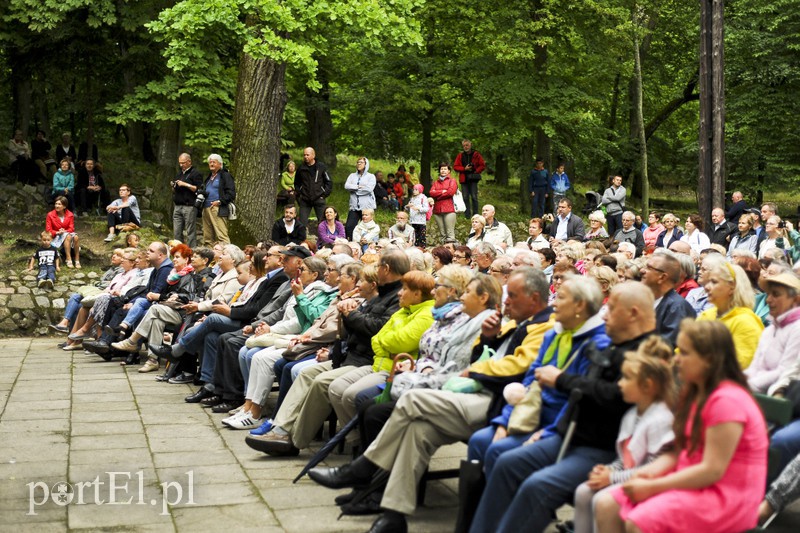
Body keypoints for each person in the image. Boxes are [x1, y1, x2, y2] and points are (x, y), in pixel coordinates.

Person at [307, 268, 557, 532]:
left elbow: (516, 367)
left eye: (513, 295)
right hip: (474, 393)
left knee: (410, 400)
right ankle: (394, 515)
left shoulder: (542, 326)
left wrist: (475, 369)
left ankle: (364, 467)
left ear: (534, 298)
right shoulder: (513, 322)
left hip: (496, 404)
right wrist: (488, 338)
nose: (505, 300)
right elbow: (483, 356)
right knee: (416, 429)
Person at [469, 282, 657, 533]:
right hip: (567, 433)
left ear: (633, 313)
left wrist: (560, 380)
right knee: (504, 461)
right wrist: (548, 429)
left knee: (536, 485)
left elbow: (614, 396)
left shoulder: (646, 352)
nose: (604, 315)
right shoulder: (610, 343)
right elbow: (548, 384)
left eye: (611, 309)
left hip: (601, 447)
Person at [594, 320, 768, 533]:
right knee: (606, 505)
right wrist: (648, 473)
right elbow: (679, 451)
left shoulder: (727, 401)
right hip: (691, 480)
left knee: (640, 521)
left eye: (684, 353)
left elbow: (712, 470)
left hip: (723, 495)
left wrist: (653, 487)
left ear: (709, 360)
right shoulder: (695, 393)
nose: (676, 360)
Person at [467, 275, 611, 474]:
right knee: (480, 440)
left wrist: (546, 433)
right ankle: (477, 503)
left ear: (579, 306)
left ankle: (499, 502)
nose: (554, 303)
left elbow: (577, 399)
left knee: (500, 453)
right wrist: (505, 421)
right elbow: (528, 382)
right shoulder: (553, 333)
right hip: (528, 411)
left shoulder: (595, 344)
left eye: (560, 298)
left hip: (554, 424)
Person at [572, 336, 675, 533]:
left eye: (626, 378)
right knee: (584, 491)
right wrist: (607, 470)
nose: (619, 384)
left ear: (647, 385)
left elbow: (652, 469)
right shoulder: (631, 414)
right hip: (627, 475)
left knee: (603, 499)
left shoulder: (661, 420)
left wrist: (612, 478)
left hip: (648, 482)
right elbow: (625, 460)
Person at [697, 261, 764, 368]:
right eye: (708, 282)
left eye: (714, 282)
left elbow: (741, 366)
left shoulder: (746, 321)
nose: (706, 287)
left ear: (732, 286)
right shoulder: (707, 315)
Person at [744, 272, 800, 394]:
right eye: (768, 294)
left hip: (779, 398)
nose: (768, 300)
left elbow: (785, 371)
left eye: (776, 295)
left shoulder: (797, 329)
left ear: (795, 299)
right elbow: (755, 366)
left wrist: (748, 385)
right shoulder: (770, 329)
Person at [641, 251, 696, 344]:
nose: (642, 270)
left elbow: (666, 347)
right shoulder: (645, 299)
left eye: (649, 268)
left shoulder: (677, 307)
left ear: (662, 277)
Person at [201, 154, 236, 246]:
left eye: (214, 162)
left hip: (218, 208)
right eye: (210, 162)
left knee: (222, 236)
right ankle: (209, 257)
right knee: (207, 237)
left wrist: (220, 202)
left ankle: (227, 256)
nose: (211, 164)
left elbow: (231, 193)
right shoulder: (209, 177)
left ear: (220, 164)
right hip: (206, 208)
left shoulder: (225, 175)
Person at [171, 153, 203, 247]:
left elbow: (198, 189)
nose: (181, 165)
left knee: (190, 231)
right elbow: (175, 190)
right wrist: (173, 186)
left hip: (189, 206)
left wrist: (185, 184)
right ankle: (178, 251)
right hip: (177, 205)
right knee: (177, 231)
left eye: (183, 163)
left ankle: (191, 252)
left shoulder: (196, 173)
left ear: (189, 161)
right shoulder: (179, 174)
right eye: (180, 163)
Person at [294, 147, 332, 227]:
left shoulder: (321, 167)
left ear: (313, 155)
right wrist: (300, 194)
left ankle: (326, 239)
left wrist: (324, 194)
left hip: (319, 198)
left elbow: (328, 181)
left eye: (307, 155)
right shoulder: (301, 168)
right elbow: (296, 183)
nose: (305, 157)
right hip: (305, 199)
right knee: (301, 223)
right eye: (304, 155)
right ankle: (301, 239)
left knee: (323, 223)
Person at [344, 156, 376, 239]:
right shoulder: (352, 176)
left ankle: (366, 244)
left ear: (366, 164)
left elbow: (368, 189)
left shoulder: (371, 176)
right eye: (358, 162)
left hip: (367, 207)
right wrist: (358, 187)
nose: (359, 164)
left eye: (361, 162)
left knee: (367, 228)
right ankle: (351, 243)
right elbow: (347, 186)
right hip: (354, 207)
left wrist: (354, 190)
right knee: (349, 227)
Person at [454, 139, 485, 218]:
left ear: (471, 145)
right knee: (465, 197)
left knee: (474, 197)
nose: (465, 147)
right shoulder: (460, 155)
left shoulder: (476, 154)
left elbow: (482, 165)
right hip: (464, 179)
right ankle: (467, 215)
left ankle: (475, 214)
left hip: (473, 178)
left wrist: (476, 171)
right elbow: (455, 167)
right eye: (464, 145)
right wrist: (464, 169)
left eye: (467, 145)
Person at [46, 196, 80, 268]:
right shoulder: (50, 215)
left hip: (67, 233)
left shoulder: (70, 214)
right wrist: (57, 232)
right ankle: (68, 259)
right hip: (56, 236)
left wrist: (64, 231)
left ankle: (77, 260)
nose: (57, 206)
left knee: (76, 237)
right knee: (67, 236)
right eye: (56, 204)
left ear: (64, 206)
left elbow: (71, 228)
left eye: (59, 204)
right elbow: (48, 230)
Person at [429, 162, 458, 244]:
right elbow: (431, 192)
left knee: (450, 234)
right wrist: (442, 191)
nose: (443, 170)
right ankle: (443, 252)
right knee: (442, 234)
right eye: (441, 169)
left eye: (445, 169)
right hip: (437, 210)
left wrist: (438, 196)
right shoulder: (436, 182)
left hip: (449, 209)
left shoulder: (452, 181)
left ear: (449, 171)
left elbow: (450, 192)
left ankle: (450, 252)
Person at [406, 184, 429, 248]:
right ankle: (415, 247)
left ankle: (422, 247)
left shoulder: (423, 198)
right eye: (413, 189)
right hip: (413, 220)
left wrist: (418, 209)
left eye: (416, 190)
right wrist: (407, 206)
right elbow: (408, 208)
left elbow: (426, 209)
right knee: (414, 235)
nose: (414, 191)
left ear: (420, 190)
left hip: (421, 221)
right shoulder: (412, 198)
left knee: (422, 236)